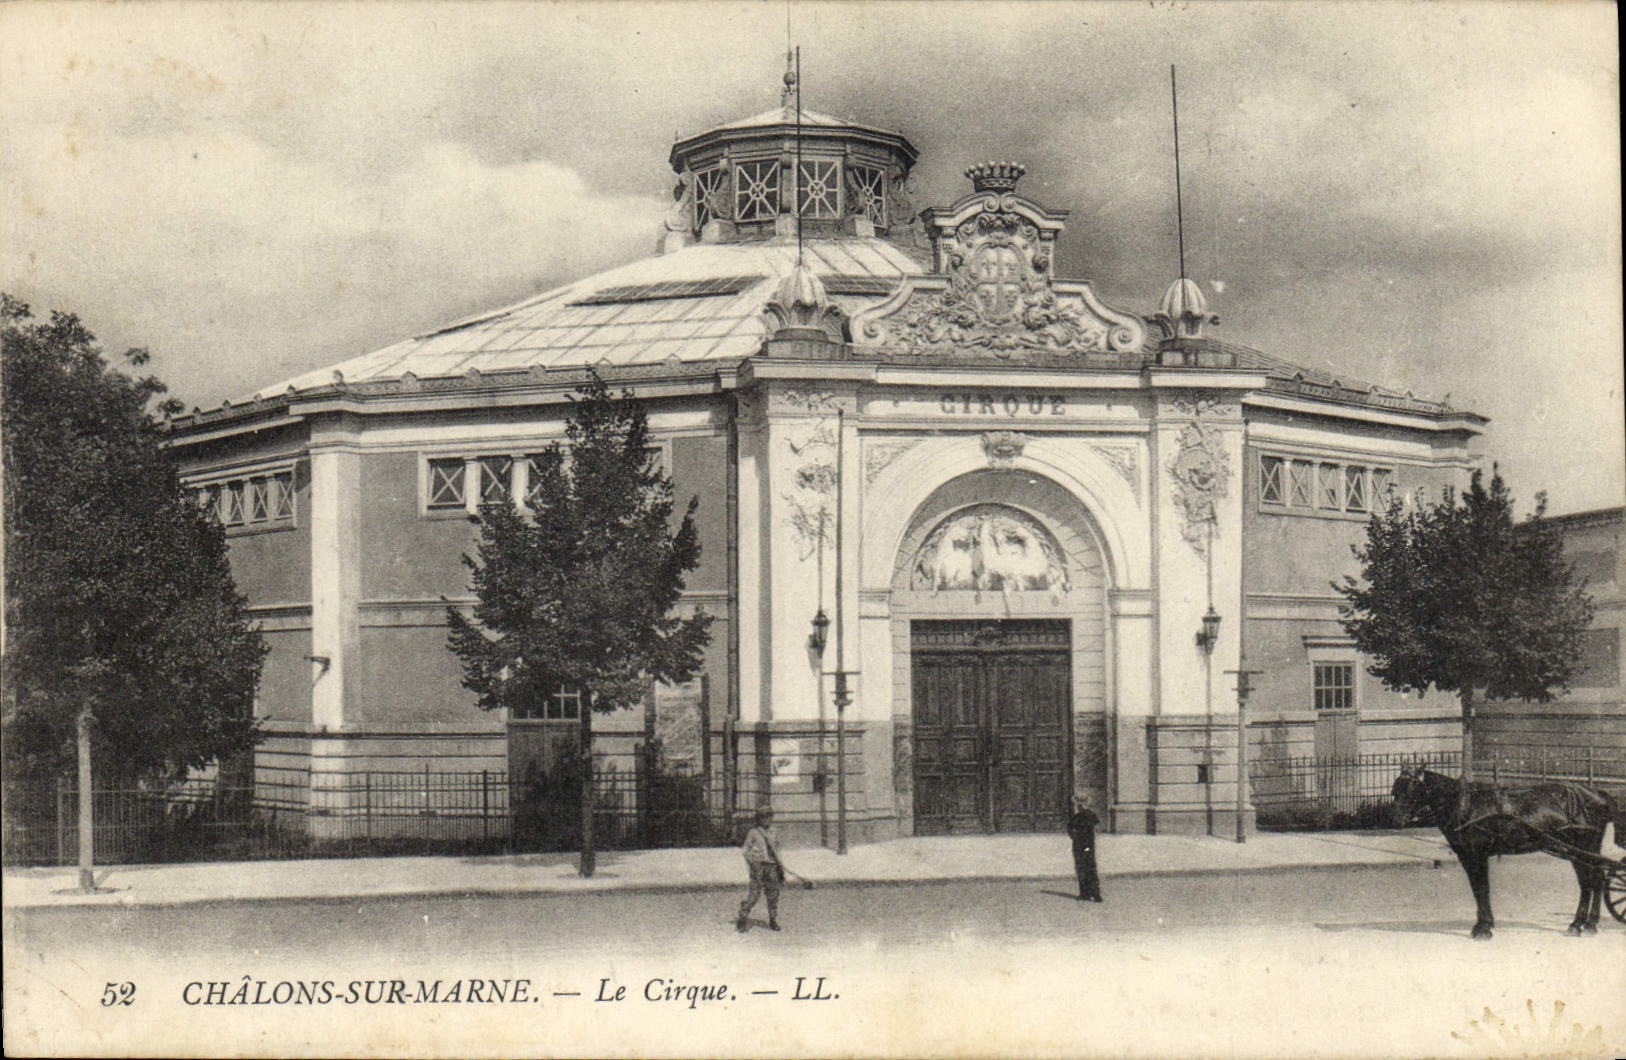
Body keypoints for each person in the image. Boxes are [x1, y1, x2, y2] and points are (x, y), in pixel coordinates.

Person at [736, 808, 785, 932]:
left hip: (772, 866)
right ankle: (743, 915)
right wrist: (753, 862)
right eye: (764, 817)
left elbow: (777, 848)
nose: (767, 819)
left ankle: (773, 920)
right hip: (758, 866)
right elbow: (746, 850)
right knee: (755, 894)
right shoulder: (753, 832)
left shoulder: (774, 831)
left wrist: (780, 863)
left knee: (773, 894)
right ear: (759, 819)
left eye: (769, 817)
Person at [1067, 796, 1103, 902]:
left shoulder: (1077, 817)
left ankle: (1084, 893)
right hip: (1089, 846)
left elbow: (1069, 829)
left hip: (1079, 846)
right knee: (1091, 868)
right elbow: (1097, 827)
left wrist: (1074, 837)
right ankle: (1096, 894)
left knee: (1081, 868)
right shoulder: (1092, 815)